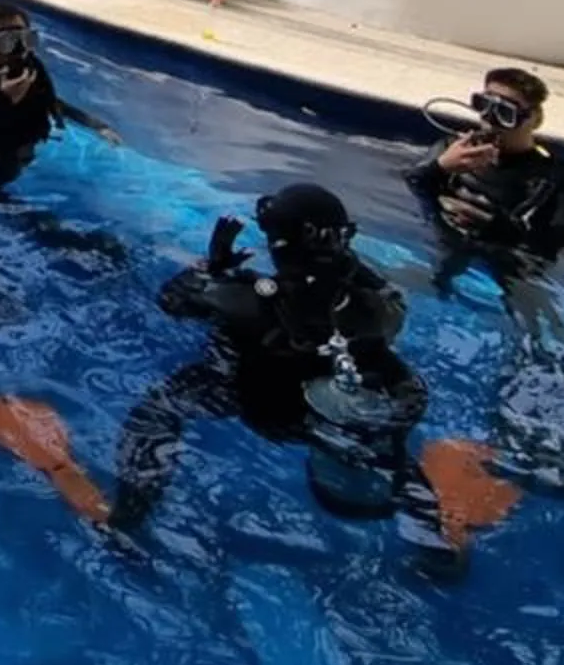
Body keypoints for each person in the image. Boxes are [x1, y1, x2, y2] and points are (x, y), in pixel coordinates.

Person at [111, 184, 424, 533]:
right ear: (342, 238)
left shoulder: (241, 297)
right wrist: (343, 263)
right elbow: (390, 302)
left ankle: (128, 516)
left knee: (156, 411)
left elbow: (171, 301)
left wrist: (212, 267)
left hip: (250, 403)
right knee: (381, 445)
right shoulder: (373, 309)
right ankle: (432, 533)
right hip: (322, 414)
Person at [0, 1, 122, 193]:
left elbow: (49, 101)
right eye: (8, 41)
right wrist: (7, 100)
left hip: (12, 152)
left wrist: (97, 125)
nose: (19, 49)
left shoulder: (27, 65)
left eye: (26, 39)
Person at [408, 66, 564, 266]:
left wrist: (499, 229)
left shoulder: (554, 180)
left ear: (532, 119)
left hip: (500, 265)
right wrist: (439, 168)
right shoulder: (450, 150)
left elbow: (553, 245)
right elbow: (410, 188)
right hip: (438, 243)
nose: (490, 120)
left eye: (505, 113)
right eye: (484, 105)